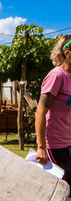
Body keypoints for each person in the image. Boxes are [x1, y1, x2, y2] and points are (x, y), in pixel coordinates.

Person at [35, 34, 71, 185]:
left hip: (68, 140)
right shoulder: (57, 76)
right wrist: (41, 147)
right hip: (55, 143)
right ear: (67, 52)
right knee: (66, 182)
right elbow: (40, 112)